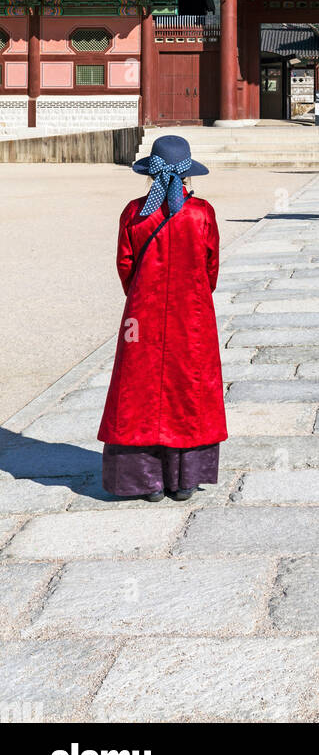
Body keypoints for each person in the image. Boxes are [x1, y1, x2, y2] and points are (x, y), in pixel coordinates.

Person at [98, 134, 226, 503]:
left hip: (142, 314)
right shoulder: (201, 212)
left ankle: (147, 481)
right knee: (189, 388)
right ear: (187, 175)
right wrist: (196, 296)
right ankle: (184, 480)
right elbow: (210, 266)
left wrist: (140, 295)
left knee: (138, 391)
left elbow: (125, 265)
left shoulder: (135, 212)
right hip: (193, 315)